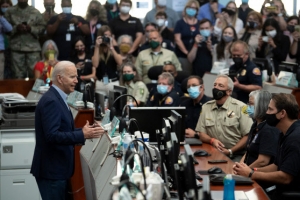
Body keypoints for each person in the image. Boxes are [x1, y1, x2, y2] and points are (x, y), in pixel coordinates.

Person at [30, 61, 104, 200]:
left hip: (59, 171)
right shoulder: (51, 101)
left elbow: (62, 129)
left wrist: (83, 131)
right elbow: (52, 136)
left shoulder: (59, 97)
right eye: (72, 77)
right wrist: (81, 134)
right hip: (52, 173)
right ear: (60, 78)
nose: (76, 81)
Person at [233, 93, 300, 200]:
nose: (266, 112)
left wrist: (251, 174)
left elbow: (285, 177)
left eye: (270, 109)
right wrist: (250, 170)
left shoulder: (295, 138)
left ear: (282, 113)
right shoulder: (284, 133)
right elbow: (276, 166)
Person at [195, 74, 253, 161]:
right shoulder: (206, 107)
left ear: (229, 91)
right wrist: (212, 140)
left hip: (236, 155)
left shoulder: (241, 107)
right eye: (215, 85)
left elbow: (248, 136)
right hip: (213, 152)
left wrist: (230, 151)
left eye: (220, 85)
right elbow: (201, 133)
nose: (216, 88)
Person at [5, 0, 45, 79]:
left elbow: (42, 27)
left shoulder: (35, 11)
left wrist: (31, 29)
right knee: (17, 76)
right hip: (16, 48)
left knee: (35, 75)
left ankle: (35, 91)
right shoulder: (10, 11)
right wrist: (16, 28)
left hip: (32, 48)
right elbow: (5, 28)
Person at [240, 90, 280, 168]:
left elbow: (263, 161)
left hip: (258, 174)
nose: (248, 106)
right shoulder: (256, 124)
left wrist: (245, 171)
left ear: (261, 105)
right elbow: (249, 151)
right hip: (247, 169)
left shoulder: (269, 128)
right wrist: (239, 166)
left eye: (251, 104)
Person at [92, 25, 119, 95]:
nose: (107, 38)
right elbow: (95, 64)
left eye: (109, 36)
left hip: (113, 82)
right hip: (100, 83)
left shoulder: (114, 48)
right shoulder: (95, 49)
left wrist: (111, 47)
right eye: (105, 36)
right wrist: (97, 46)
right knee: (100, 105)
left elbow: (120, 62)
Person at [0, 2, 12, 80]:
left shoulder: (2, 19)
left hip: (0, 52)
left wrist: (1, 18)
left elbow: (9, 28)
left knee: (1, 77)